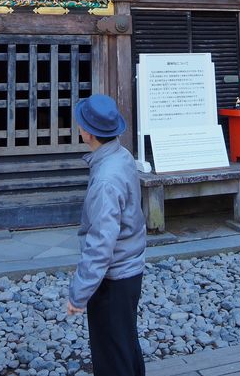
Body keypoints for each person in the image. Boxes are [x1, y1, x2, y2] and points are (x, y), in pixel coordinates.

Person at [67, 93, 146, 376]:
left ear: (87, 132)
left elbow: (101, 241)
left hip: (113, 277)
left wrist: (79, 294)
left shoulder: (105, 180)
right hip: (130, 268)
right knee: (124, 347)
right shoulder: (120, 155)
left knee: (112, 357)